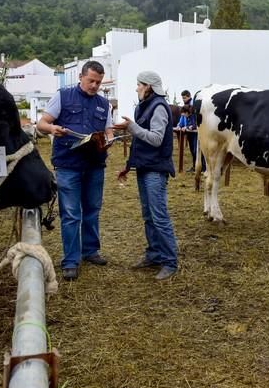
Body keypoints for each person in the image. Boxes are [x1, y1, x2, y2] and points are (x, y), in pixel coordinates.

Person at [37, 61, 113, 281]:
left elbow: (107, 129)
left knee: (92, 209)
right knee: (71, 214)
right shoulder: (62, 96)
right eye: (91, 81)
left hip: (95, 165)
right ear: (80, 77)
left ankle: (90, 251)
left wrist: (109, 139)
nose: (94, 86)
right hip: (68, 165)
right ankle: (71, 260)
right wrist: (53, 128)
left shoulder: (103, 103)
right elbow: (41, 123)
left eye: (98, 82)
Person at [114, 71, 179, 281]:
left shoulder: (159, 107)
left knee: (159, 217)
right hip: (145, 167)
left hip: (155, 170)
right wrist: (128, 166)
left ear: (148, 87)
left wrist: (132, 127)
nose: (136, 88)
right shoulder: (144, 105)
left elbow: (156, 139)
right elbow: (140, 142)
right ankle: (154, 255)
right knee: (149, 216)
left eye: (139, 84)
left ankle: (170, 262)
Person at [180, 90, 206, 172]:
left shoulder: (194, 108)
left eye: (184, 98)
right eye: (183, 98)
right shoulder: (186, 108)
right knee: (193, 150)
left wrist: (191, 127)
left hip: (196, 134)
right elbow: (185, 120)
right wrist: (184, 126)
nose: (183, 99)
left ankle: (203, 167)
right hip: (191, 134)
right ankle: (195, 166)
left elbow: (196, 122)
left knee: (197, 150)